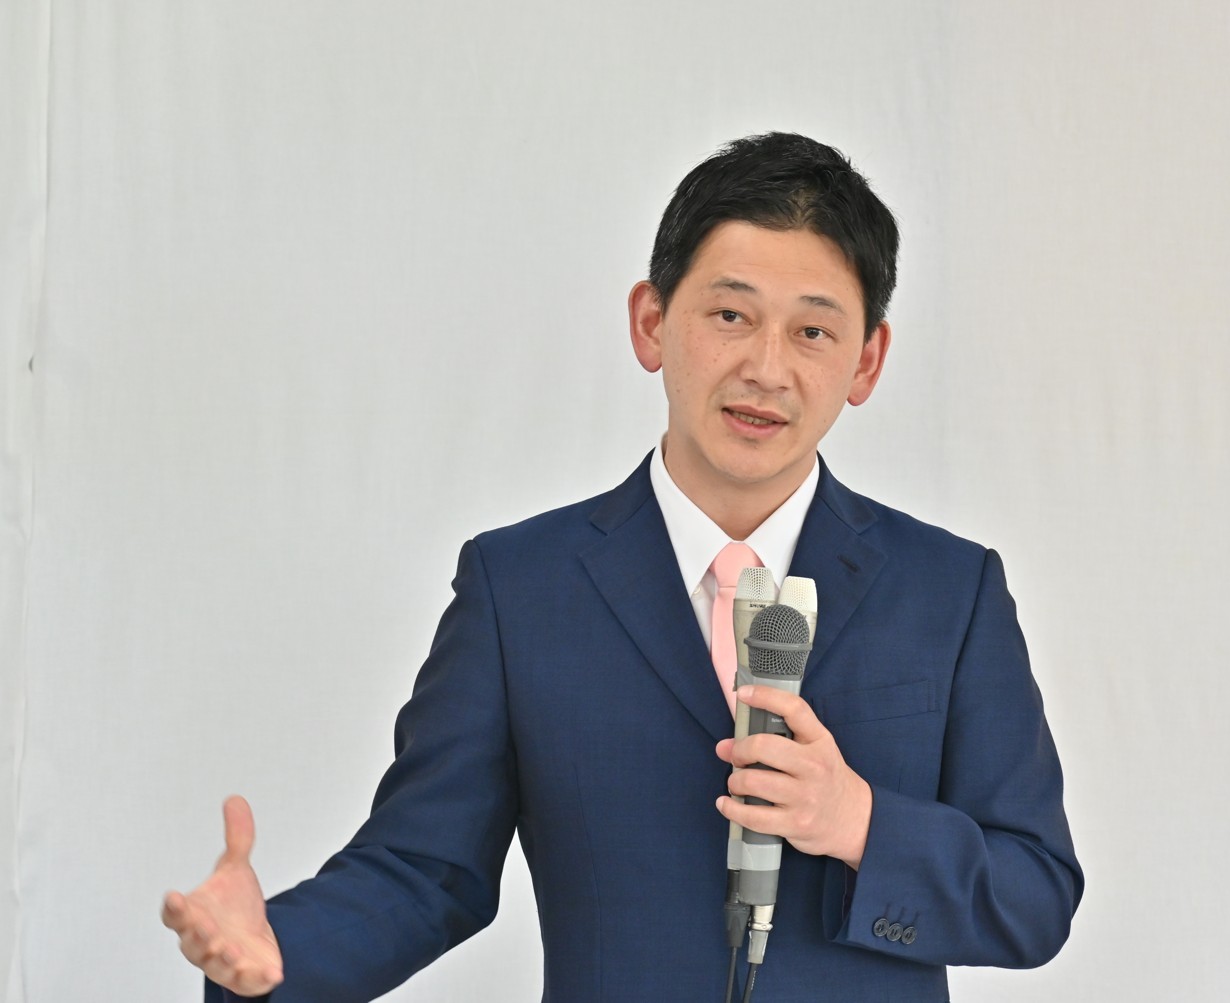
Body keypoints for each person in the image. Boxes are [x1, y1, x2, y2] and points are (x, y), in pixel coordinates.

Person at [162, 132, 1084, 1002]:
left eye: (812, 332)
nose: (767, 368)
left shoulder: (949, 590)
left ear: (866, 361)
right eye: (730, 315)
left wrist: (861, 823)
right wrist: (279, 951)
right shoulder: (520, 588)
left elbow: (1034, 892)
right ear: (651, 322)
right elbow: (423, 869)